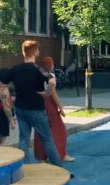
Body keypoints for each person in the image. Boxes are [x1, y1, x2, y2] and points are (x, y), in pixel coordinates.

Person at [9, 40, 67, 170]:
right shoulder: (38, 69)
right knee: (47, 139)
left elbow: (4, 80)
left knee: (23, 139)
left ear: (23, 52)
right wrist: (47, 93)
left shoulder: (16, 69)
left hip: (20, 108)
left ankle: (25, 168)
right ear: (35, 52)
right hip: (36, 109)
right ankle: (58, 168)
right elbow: (52, 82)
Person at [33, 55, 73, 163]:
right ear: (49, 65)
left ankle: (42, 157)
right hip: (49, 104)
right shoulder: (50, 76)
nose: (53, 66)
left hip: (39, 103)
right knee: (60, 130)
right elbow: (53, 93)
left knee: (41, 130)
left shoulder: (37, 74)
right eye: (52, 64)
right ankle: (61, 154)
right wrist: (61, 107)